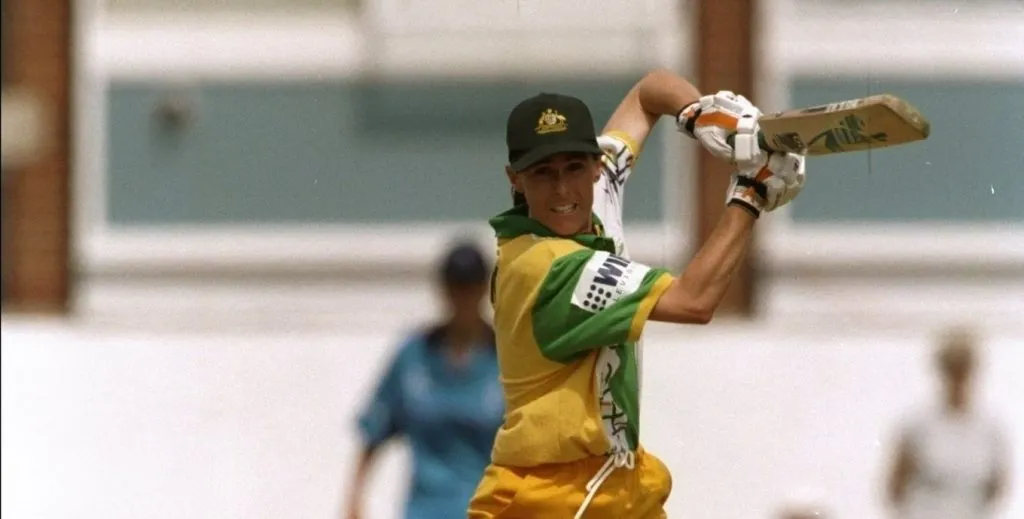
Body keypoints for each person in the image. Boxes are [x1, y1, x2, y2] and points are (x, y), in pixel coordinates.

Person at [467, 67, 806, 518]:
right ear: (515, 178)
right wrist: (752, 190)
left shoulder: (596, 188)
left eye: (573, 166)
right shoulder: (549, 269)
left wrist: (700, 116)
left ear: (594, 164)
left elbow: (650, 91)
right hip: (549, 497)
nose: (563, 188)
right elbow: (694, 301)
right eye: (543, 173)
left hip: (614, 481)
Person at [344, 241, 504, 519]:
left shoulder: (505, 359)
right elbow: (373, 430)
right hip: (424, 509)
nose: (462, 296)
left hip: (487, 509)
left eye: (470, 286)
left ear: (484, 290)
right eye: (455, 286)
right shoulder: (414, 357)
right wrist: (355, 503)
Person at [885, 327, 1011, 519]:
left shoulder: (991, 428)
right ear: (942, 372)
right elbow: (895, 488)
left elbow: (997, 487)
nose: (958, 379)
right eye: (952, 370)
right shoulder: (917, 425)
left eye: (964, 370)